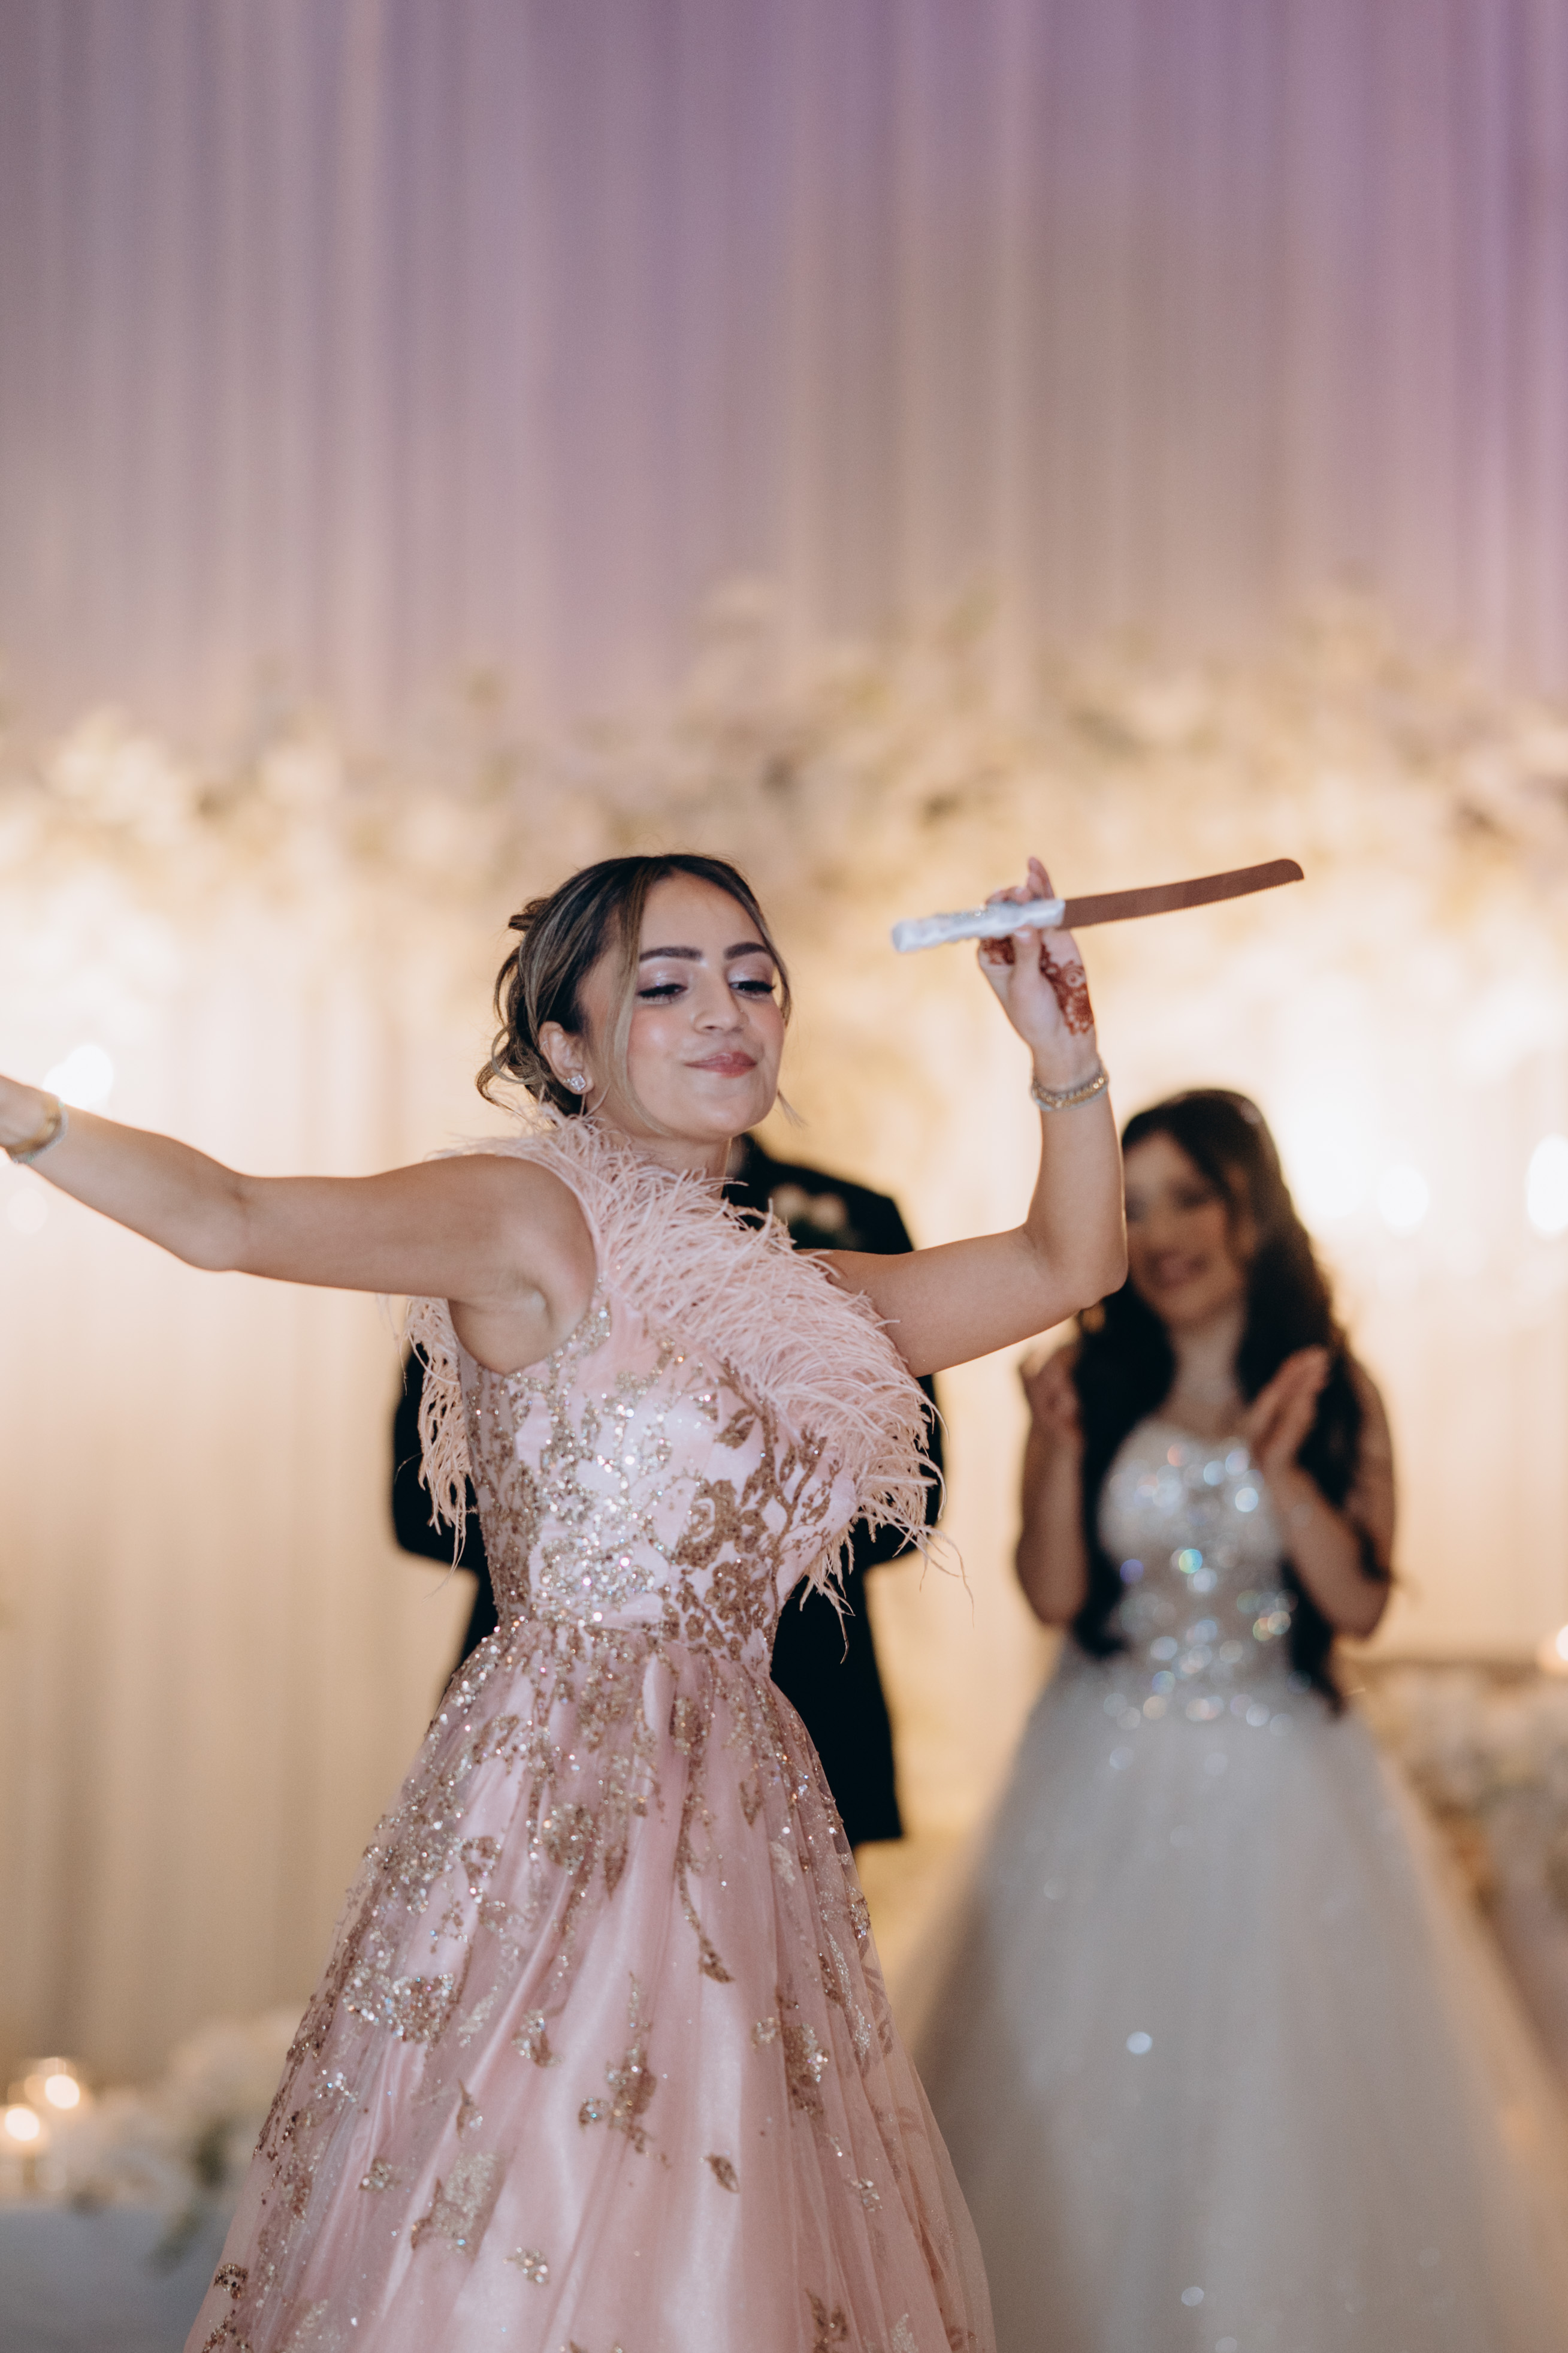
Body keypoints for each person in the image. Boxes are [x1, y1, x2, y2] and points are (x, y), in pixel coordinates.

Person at [1, 850, 1123, 2353]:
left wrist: (1059, 1050)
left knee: (721, 2219)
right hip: (564, 1786)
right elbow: (229, 1212)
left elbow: (1068, 1257)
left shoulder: (813, 1295)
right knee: (530, 2191)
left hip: (747, 1799)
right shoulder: (526, 1217)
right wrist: (27, 1116)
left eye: (753, 976)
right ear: (568, 1048)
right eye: (665, 984)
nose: (725, 1010)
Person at [917, 1088, 1568, 2353]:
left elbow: (1357, 1604)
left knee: (1284, 2099)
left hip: (1285, 1775)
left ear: (1249, 1213)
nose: (1159, 1233)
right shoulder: (1089, 1382)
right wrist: (1055, 1449)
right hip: (1103, 1760)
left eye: (1186, 1198)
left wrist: (1280, 1469)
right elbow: (1050, 1593)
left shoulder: (1331, 1389)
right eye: (1133, 1207)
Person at [392, 1136, 942, 1849]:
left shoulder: (854, 1218)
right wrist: (610, 1571)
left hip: (799, 1688)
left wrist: (737, 1577)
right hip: (553, 1713)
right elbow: (419, 1502)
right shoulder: (509, 1218)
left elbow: (912, 1497)